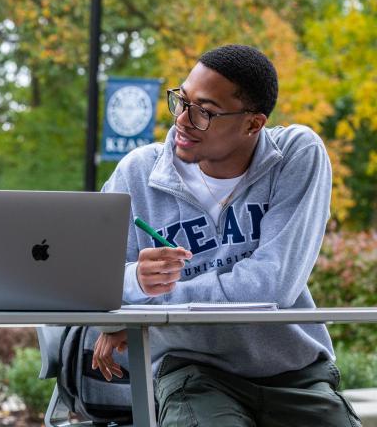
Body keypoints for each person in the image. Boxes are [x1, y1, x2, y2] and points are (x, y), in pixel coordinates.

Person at [92, 45, 361, 426]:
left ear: (253, 124)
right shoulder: (137, 173)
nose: (182, 120)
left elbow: (270, 287)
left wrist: (148, 309)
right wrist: (134, 280)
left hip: (295, 371)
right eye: (181, 100)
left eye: (205, 111)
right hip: (192, 371)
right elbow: (92, 286)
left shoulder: (296, 155)